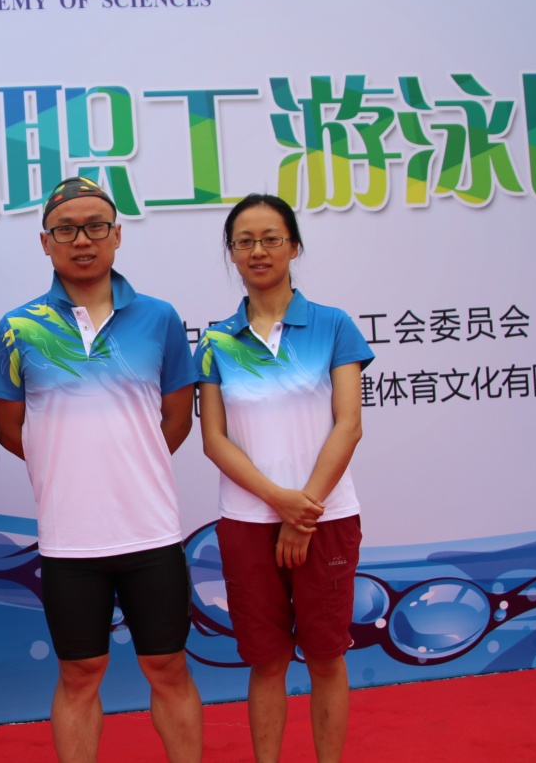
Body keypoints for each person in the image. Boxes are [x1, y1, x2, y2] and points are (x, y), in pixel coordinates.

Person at [0, 176, 203, 763]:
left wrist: (129, 461)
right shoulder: (18, 328)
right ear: (45, 242)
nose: (82, 240)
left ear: (117, 235)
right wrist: (69, 464)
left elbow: (176, 417)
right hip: (70, 539)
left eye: (95, 227)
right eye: (66, 230)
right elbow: (9, 427)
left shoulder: (158, 318)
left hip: (151, 533)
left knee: (168, 666)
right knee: (80, 673)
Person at [192, 193, 374, 763]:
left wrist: (305, 509)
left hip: (327, 518)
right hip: (247, 521)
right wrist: (280, 502)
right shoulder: (217, 341)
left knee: (325, 656)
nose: (258, 251)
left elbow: (348, 425)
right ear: (231, 253)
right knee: (266, 660)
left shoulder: (333, 326)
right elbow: (214, 440)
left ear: (294, 246)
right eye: (244, 241)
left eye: (271, 238)